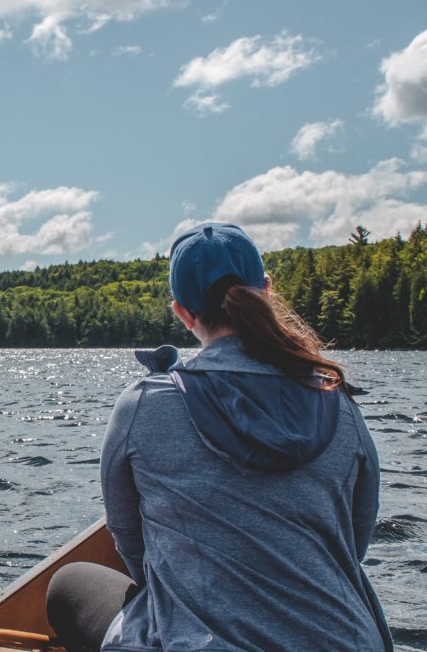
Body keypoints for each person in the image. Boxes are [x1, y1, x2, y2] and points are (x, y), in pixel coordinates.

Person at [47, 222, 392, 651]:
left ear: (182, 313)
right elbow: (354, 543)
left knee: (70, 582)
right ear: (265, 290)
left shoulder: (145, 404)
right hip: (347, 640)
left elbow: (131, 543)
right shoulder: (336, 398)